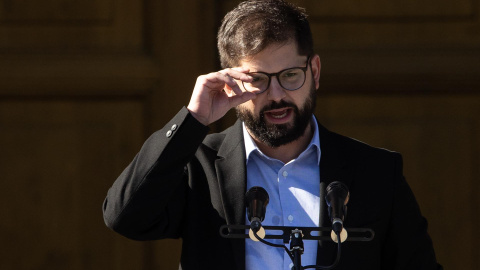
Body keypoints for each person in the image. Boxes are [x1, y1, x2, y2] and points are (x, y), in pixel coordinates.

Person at [103, 0, 442, 269]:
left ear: (315, 72)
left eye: (290, 75)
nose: (277, 94)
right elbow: (124, 217)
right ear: (231, 81)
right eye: (258, 80)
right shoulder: (199, 163)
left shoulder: (376, 171)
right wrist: (194, 118)